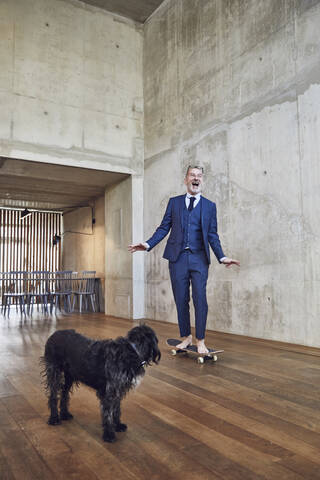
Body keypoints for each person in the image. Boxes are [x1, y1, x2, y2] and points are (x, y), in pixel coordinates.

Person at [128, 166, 240, 354]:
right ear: (186, 179)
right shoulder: (174, 203)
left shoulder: (210, 206)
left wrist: (222, 256)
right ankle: (186, 337)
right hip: (177, 258)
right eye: (192, 175)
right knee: (181, 299)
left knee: (200, 299)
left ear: (202, 180)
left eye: (199, 176)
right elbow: (164, 228)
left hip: (199, 259)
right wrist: (147, 244)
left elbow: (212, 235)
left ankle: (201, 340)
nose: (195, 178)